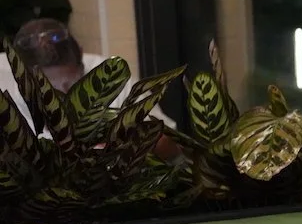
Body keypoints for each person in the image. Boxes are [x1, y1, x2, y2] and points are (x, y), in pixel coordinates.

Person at [1, 18, 180, 157]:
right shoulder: (10, 104)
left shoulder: (110, 77)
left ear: (81, 54)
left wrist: (125, 146)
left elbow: (172, 145)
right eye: (49, 91)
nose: (64, 95)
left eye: (71, 83)